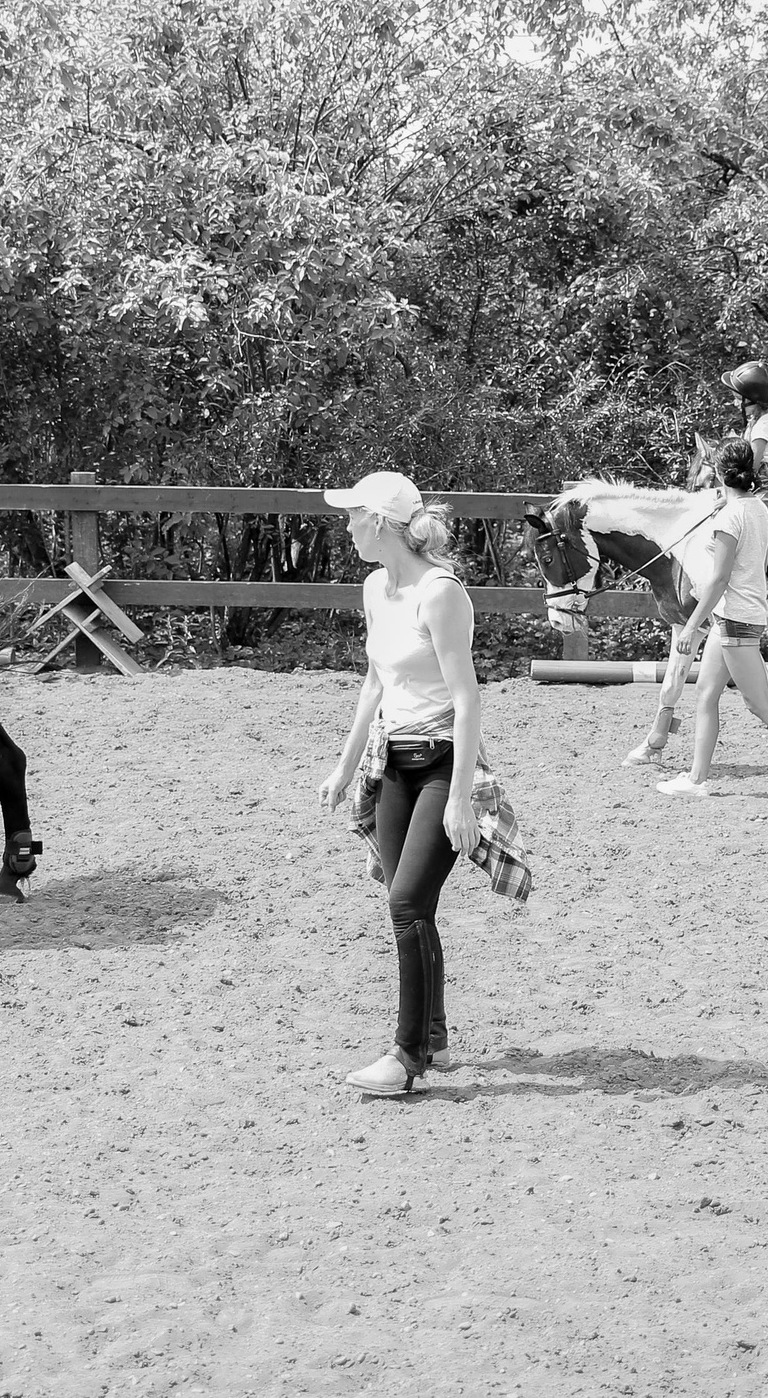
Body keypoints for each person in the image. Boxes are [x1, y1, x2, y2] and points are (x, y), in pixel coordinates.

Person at [319, 470, 484, 1097]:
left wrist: (462, 797)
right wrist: (344, 763)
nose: (349, 525)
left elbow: (467, 698)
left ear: (383, 524)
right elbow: (374, 683)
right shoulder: (373, 587)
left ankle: (408, 1056)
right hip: (394, 763)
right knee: (408, 903)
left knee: (406, 904)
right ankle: (434, 1035)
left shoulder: (440, 594)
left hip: (442, 761)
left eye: (355, 515)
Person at [657, 437, 768, 802]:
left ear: (720, 473)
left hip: (735, 620)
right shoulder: (757, 507)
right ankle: (696, 779)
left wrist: (692, 625)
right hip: (732, 616)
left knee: (761, 704)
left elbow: (719, 578)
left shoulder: (729, 516)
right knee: (706, 695)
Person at [719, 360, 768, 502]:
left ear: (754, 400)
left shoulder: (762, 427)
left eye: (737, 399)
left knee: (746, 511)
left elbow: (752, 466)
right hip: (762, 482)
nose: (735, 404)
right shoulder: (758, 420)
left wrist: (731, 497)